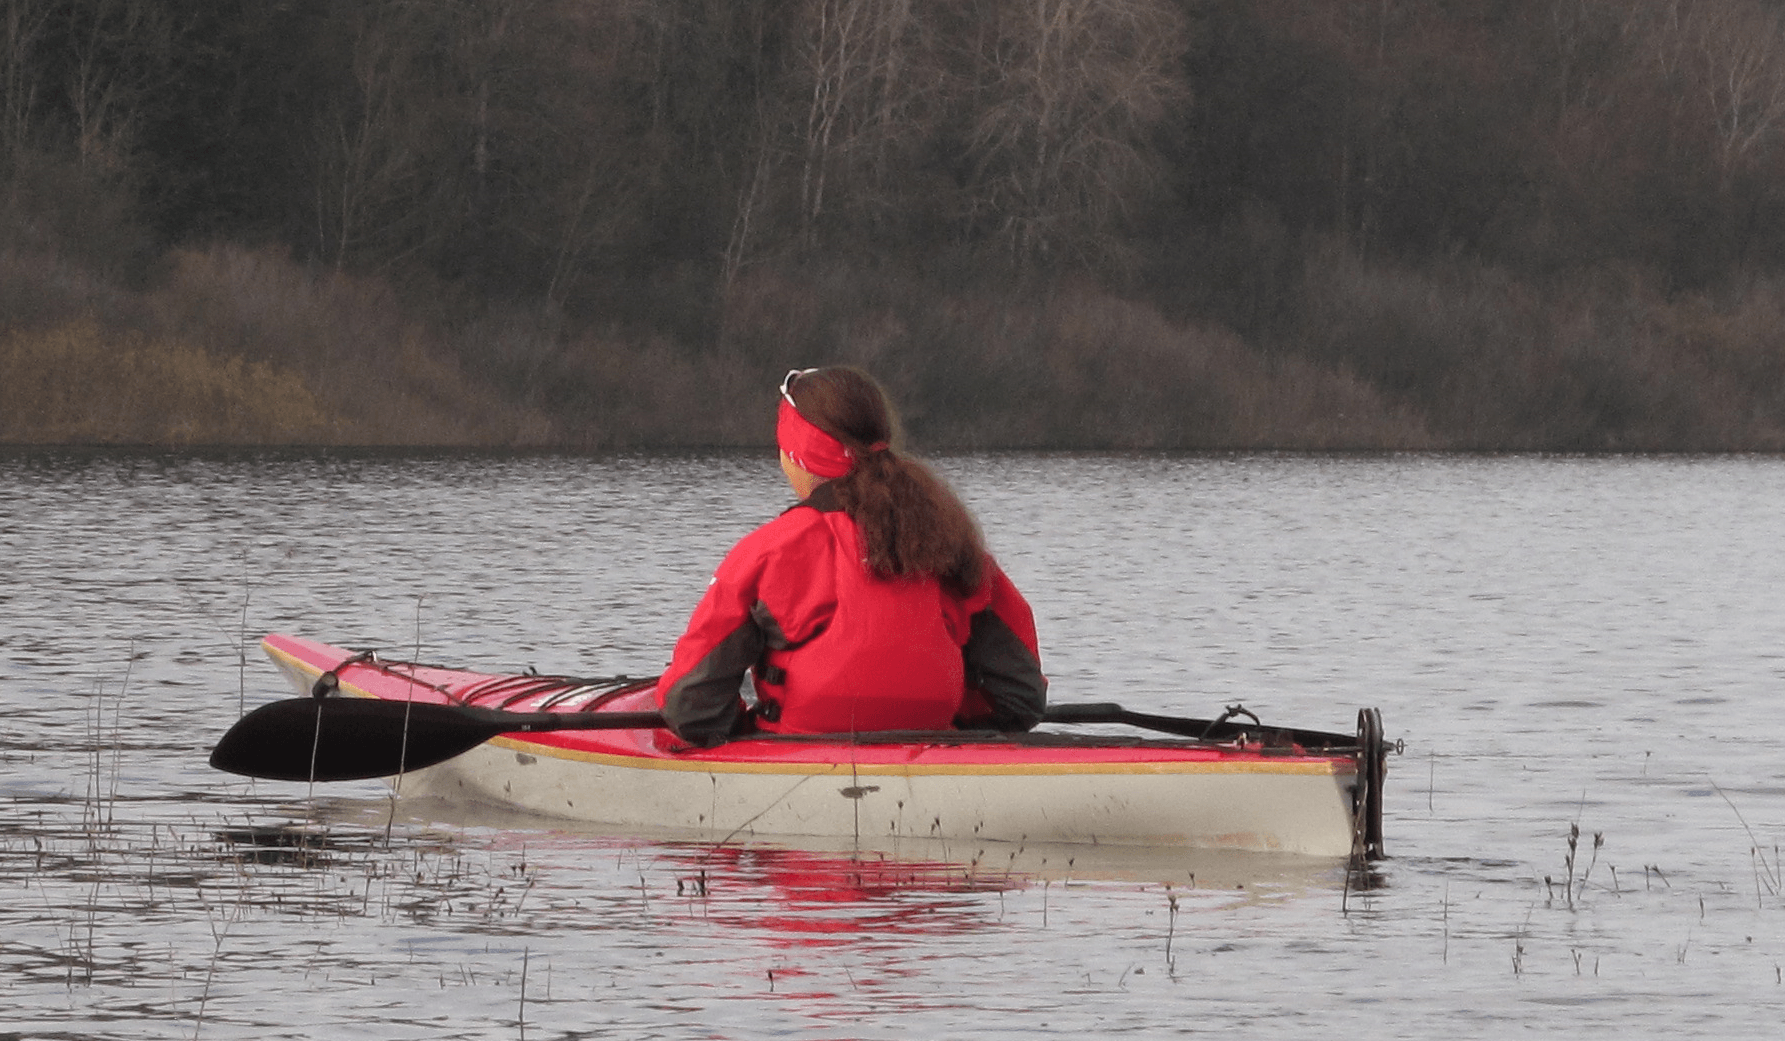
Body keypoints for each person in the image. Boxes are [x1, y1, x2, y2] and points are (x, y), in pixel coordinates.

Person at [656, 366, 1047, 746]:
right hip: (932, 747)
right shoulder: (953, 542)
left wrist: (741, 728)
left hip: (794, 751)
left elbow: (690, 708)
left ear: (796, 456)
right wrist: (955, 727)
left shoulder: (769, 551)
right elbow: (1021, 699)